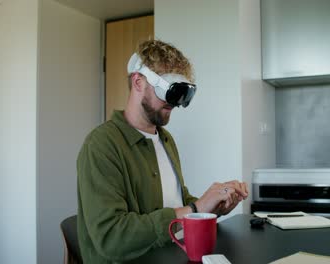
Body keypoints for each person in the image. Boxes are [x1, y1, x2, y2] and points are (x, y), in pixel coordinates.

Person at [77, 40, 249, 263]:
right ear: (138, 82)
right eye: (169, 91)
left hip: (173, 254)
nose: (175, 103)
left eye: (181, 94)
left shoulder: (165, 140)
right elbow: (111, 238)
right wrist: (196, 207)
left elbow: (179, 201)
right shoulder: (101, 145)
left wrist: (214, 206)